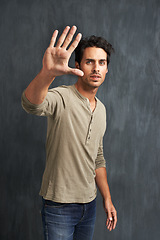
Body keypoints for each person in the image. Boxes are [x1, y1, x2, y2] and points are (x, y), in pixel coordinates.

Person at [21, 25, 117, 240]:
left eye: (101, 62)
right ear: (77, 65)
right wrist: (47, 74)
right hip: (59, 206)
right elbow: (31, 105)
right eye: (89, 61)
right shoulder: (62, 97)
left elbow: (98, 159)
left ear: (107, 69)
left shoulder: (101, 109)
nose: (96, 68)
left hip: (89, 206)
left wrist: (107, 199)